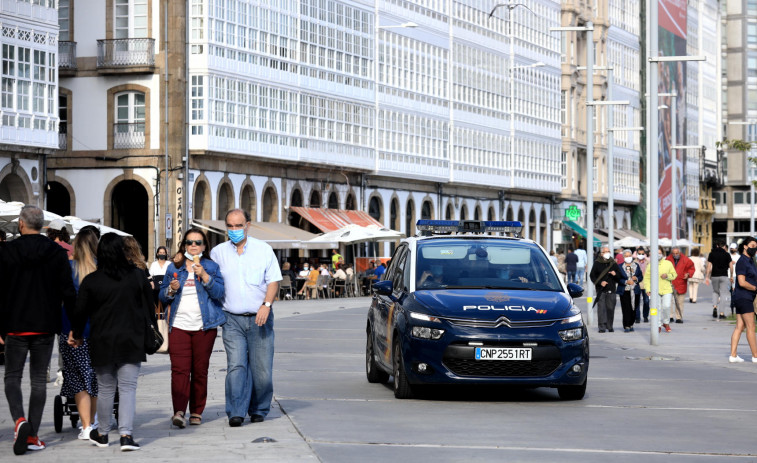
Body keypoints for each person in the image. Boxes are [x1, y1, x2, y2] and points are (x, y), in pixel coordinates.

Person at [0, 205, 76, 455]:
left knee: (12, 376)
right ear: (42, 226)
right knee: (38, 380)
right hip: (45, 324)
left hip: (15, 324)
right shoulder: (56, 253)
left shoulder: (7, 251)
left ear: (21, 224)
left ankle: (19, 421)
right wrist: (74, 326)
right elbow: (68, 291)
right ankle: (31, 434)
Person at [71, 233, 151, 451]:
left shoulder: (92, 280)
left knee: (106, 389)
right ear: (121, 251)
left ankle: (104, 434)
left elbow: (80, 312)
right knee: (127, 388)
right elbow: (149, 306)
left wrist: (76, 334)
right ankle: (126, 436)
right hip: (131, 339)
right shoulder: (136, 275)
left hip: (102, 340)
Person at [210, 209, 281, 426]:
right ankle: (236, 411)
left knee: (262, 371)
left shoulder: (263, 250)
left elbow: (274, 281)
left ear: (247, 225)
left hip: (260, 317)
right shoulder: (217, 253)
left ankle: (259, 408)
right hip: (231, 319)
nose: (234, 230)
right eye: (230, 226)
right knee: (236, 366)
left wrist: (266, 305)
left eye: (238, 226)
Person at [160, 228, 226, 428]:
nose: (193, 246)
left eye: (198, 242)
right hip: (178, 325)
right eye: (189, 242)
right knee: (179, 370)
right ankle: (179, 411)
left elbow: (219, 293)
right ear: (184, 246)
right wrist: (171, 289)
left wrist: (205, 276)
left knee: (200, 370)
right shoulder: (174, 267)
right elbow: (162, 296)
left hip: (204, 327)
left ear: (204, 246)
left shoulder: (211, 267)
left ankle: (197, 410)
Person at [61, 229, 99, 441]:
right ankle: (92, 422)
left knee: (77, 380)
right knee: (94, 379)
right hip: (97, 331)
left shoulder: (68, 268)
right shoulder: (101, 269)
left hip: (71, 330)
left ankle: (85, 426)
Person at [728, 237, 757, 363]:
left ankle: (733, 355)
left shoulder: (750, 261)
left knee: (740, 326)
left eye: (755, 246)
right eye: (752, 245)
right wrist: (755, 288)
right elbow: (742, 282)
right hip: (744, 297)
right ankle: (755, 356)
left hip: (743, 296)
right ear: (745, 246)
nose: (754, 248)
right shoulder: (742, 262)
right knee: (751, 326)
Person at [590, 245, 624, 333]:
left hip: (611, 289)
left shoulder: (613, 263)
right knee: (601, 308)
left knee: (610, 308)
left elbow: (619, 276)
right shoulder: (597, 263)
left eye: (608, 251)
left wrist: (615, 274)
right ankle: (601, 327)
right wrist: (600, 282)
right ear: (601, 253)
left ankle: (609, 326)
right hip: (601, 289)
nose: (607, 253)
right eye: (605, 251)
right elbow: (592, 275)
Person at [643, 246, 677, 333]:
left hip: (666, 289)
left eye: (659, 253)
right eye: (656, 253)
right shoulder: (651, 265)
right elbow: (646, 278)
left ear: (662, 253)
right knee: (656, 307)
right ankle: (657, 325)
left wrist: (667, 276)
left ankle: (666, 322)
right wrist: (648, 289)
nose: (658, 255)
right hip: (655, 290)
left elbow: (674, 275)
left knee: (666, 306)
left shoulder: (668, 263)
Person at [705, 239, 734, 319]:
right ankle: (721, 313)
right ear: (724, 246)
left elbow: (709, 266)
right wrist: (731, 275)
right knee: (723, 294)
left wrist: (707, 276)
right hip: (724, 275)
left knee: (715, 292)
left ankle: (715, 307)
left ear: (717, 246)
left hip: (714, 276)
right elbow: (731, 266)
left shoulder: (712, 254)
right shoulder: (727, 254)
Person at [666, 247, 694, 323]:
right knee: (669, 301)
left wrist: (688, 274)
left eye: (677, 253)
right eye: (674, 253)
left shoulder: (686, 259)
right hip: (670, 283)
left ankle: (679, 317)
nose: (675, 255)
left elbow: (692, 268)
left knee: (680, 302)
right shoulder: (668, 259)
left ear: (679, 253)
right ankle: (670, 316)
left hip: (681, 283)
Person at [618, 250, 643, 332]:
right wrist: (625, 282)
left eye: (629, 255)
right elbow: (618, 278)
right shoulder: (620, 266)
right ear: (623, 257)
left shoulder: (636, 265)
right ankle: (626, 325)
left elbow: (641, 276)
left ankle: (631, 324)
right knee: (626, 308)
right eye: (626, 256)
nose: (628, 257)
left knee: (634, 308)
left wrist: (636, 279)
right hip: (625, 290)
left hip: (635, 290)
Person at [633, 248, 650, 323]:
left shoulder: (648, 262)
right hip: (637, 284)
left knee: (646, 301)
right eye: (639, 254)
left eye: (642, 254)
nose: (641, 255)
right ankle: (637, 317)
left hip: (646, 284)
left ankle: (645, 316)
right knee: (637, 301)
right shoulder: (633, 262)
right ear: (636, 254)